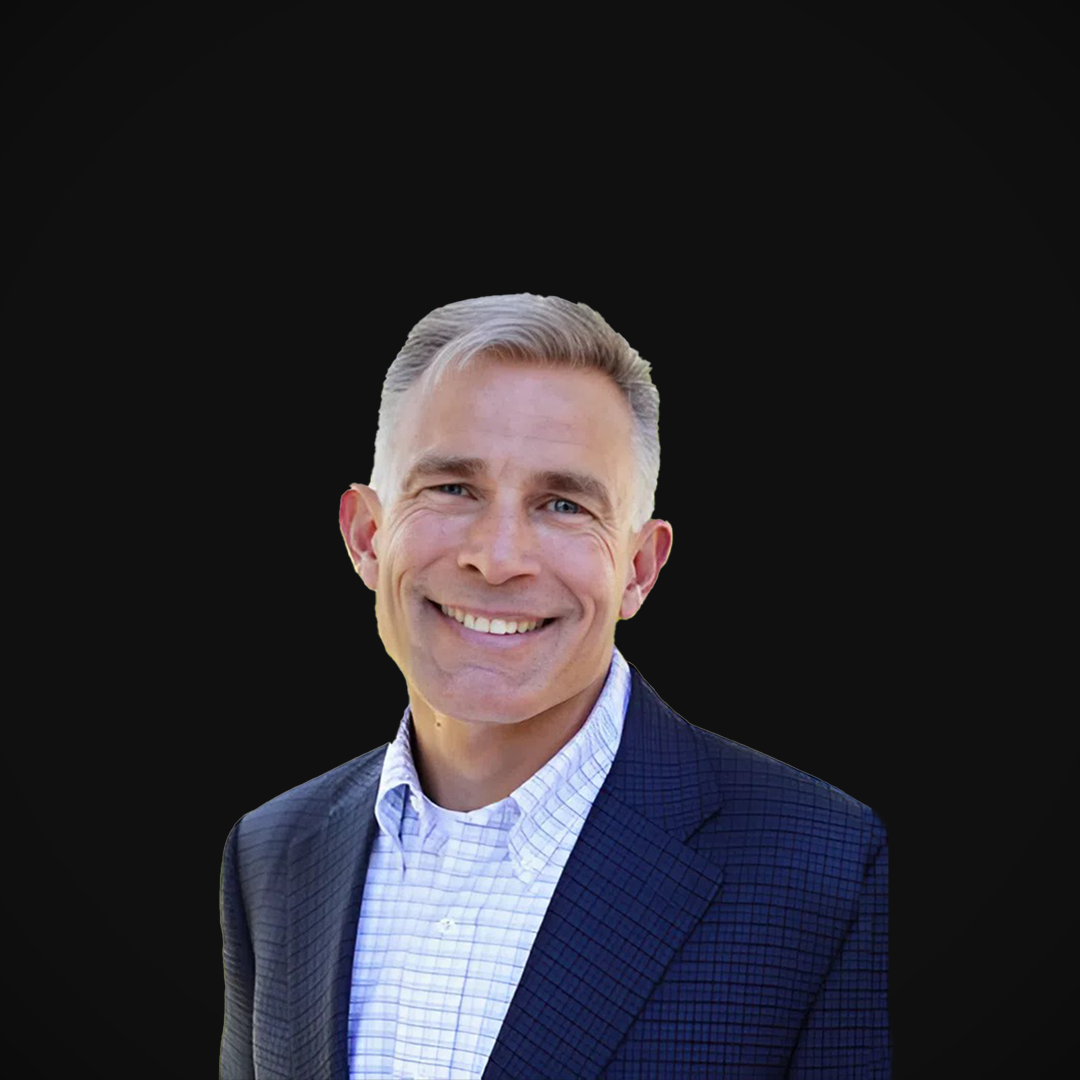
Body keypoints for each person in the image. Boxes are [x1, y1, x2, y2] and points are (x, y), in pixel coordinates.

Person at [219, 294, 890, 1079]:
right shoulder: (271, 853)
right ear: (367, 536)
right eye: (452, 489)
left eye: (563, 504)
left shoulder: (831, 872)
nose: (498, 558)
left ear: (639, 567)